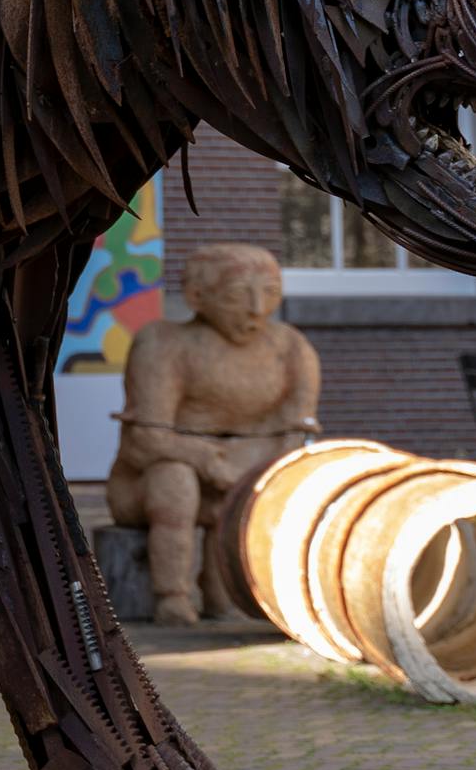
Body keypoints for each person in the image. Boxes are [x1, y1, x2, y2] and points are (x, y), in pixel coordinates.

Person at [103, 242, 320, 621]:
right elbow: (146, 440)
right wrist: (206, 459)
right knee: (175, 482)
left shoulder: (289, 347)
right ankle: (171, 593)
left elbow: (295, 432)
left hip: (243, 474)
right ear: (197, 296)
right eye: (238, 295)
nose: (256, 308)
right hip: (152, 483)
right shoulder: (164, 343)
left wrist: (248, 469)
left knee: (263, 491)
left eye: (269, 293)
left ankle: (237, 594)